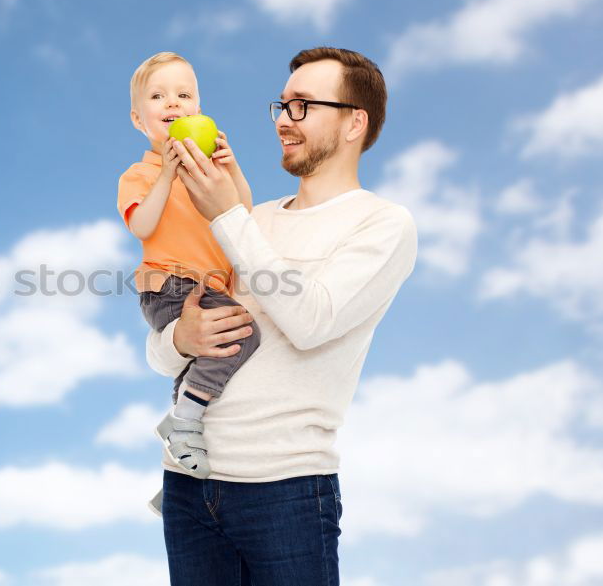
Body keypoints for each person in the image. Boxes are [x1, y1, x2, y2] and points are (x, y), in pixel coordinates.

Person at [146, 47, 418, 586]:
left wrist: (225, 214)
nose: (282, 121)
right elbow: (161, 352)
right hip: (187, 484)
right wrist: (182, 336)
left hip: (286, 490)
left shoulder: (382, 225)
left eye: (302, 106)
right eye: (281, 105)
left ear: (353, 123)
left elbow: (310, 319)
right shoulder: (253, 219)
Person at [116, 52, 262, 515]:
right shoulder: (138, 175)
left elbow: (243, 212)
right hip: (173, 285)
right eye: (158, 97)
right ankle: (181, 424)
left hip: (208, 284)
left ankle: (177, 482)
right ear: (140, 120)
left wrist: (230, 167)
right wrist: (167, 173)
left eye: (184, 95)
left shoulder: (211, 172)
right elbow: (143, 226)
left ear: (199, 108)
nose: (172, 104)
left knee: (206, 380)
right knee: (243, 335)